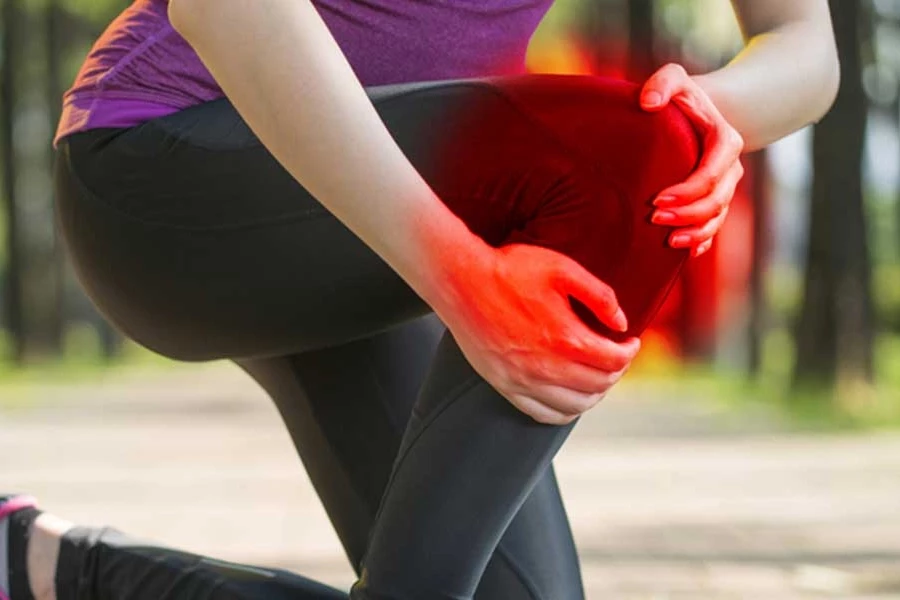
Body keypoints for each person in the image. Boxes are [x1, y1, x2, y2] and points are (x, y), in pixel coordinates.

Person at [2, 0, 839, 599]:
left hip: (379, 226)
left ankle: (44, 563)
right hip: (172, 165)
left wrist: (707, 116)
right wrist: (456, 272)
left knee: (657, 138)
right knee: (625, 154)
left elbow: (805, 47)